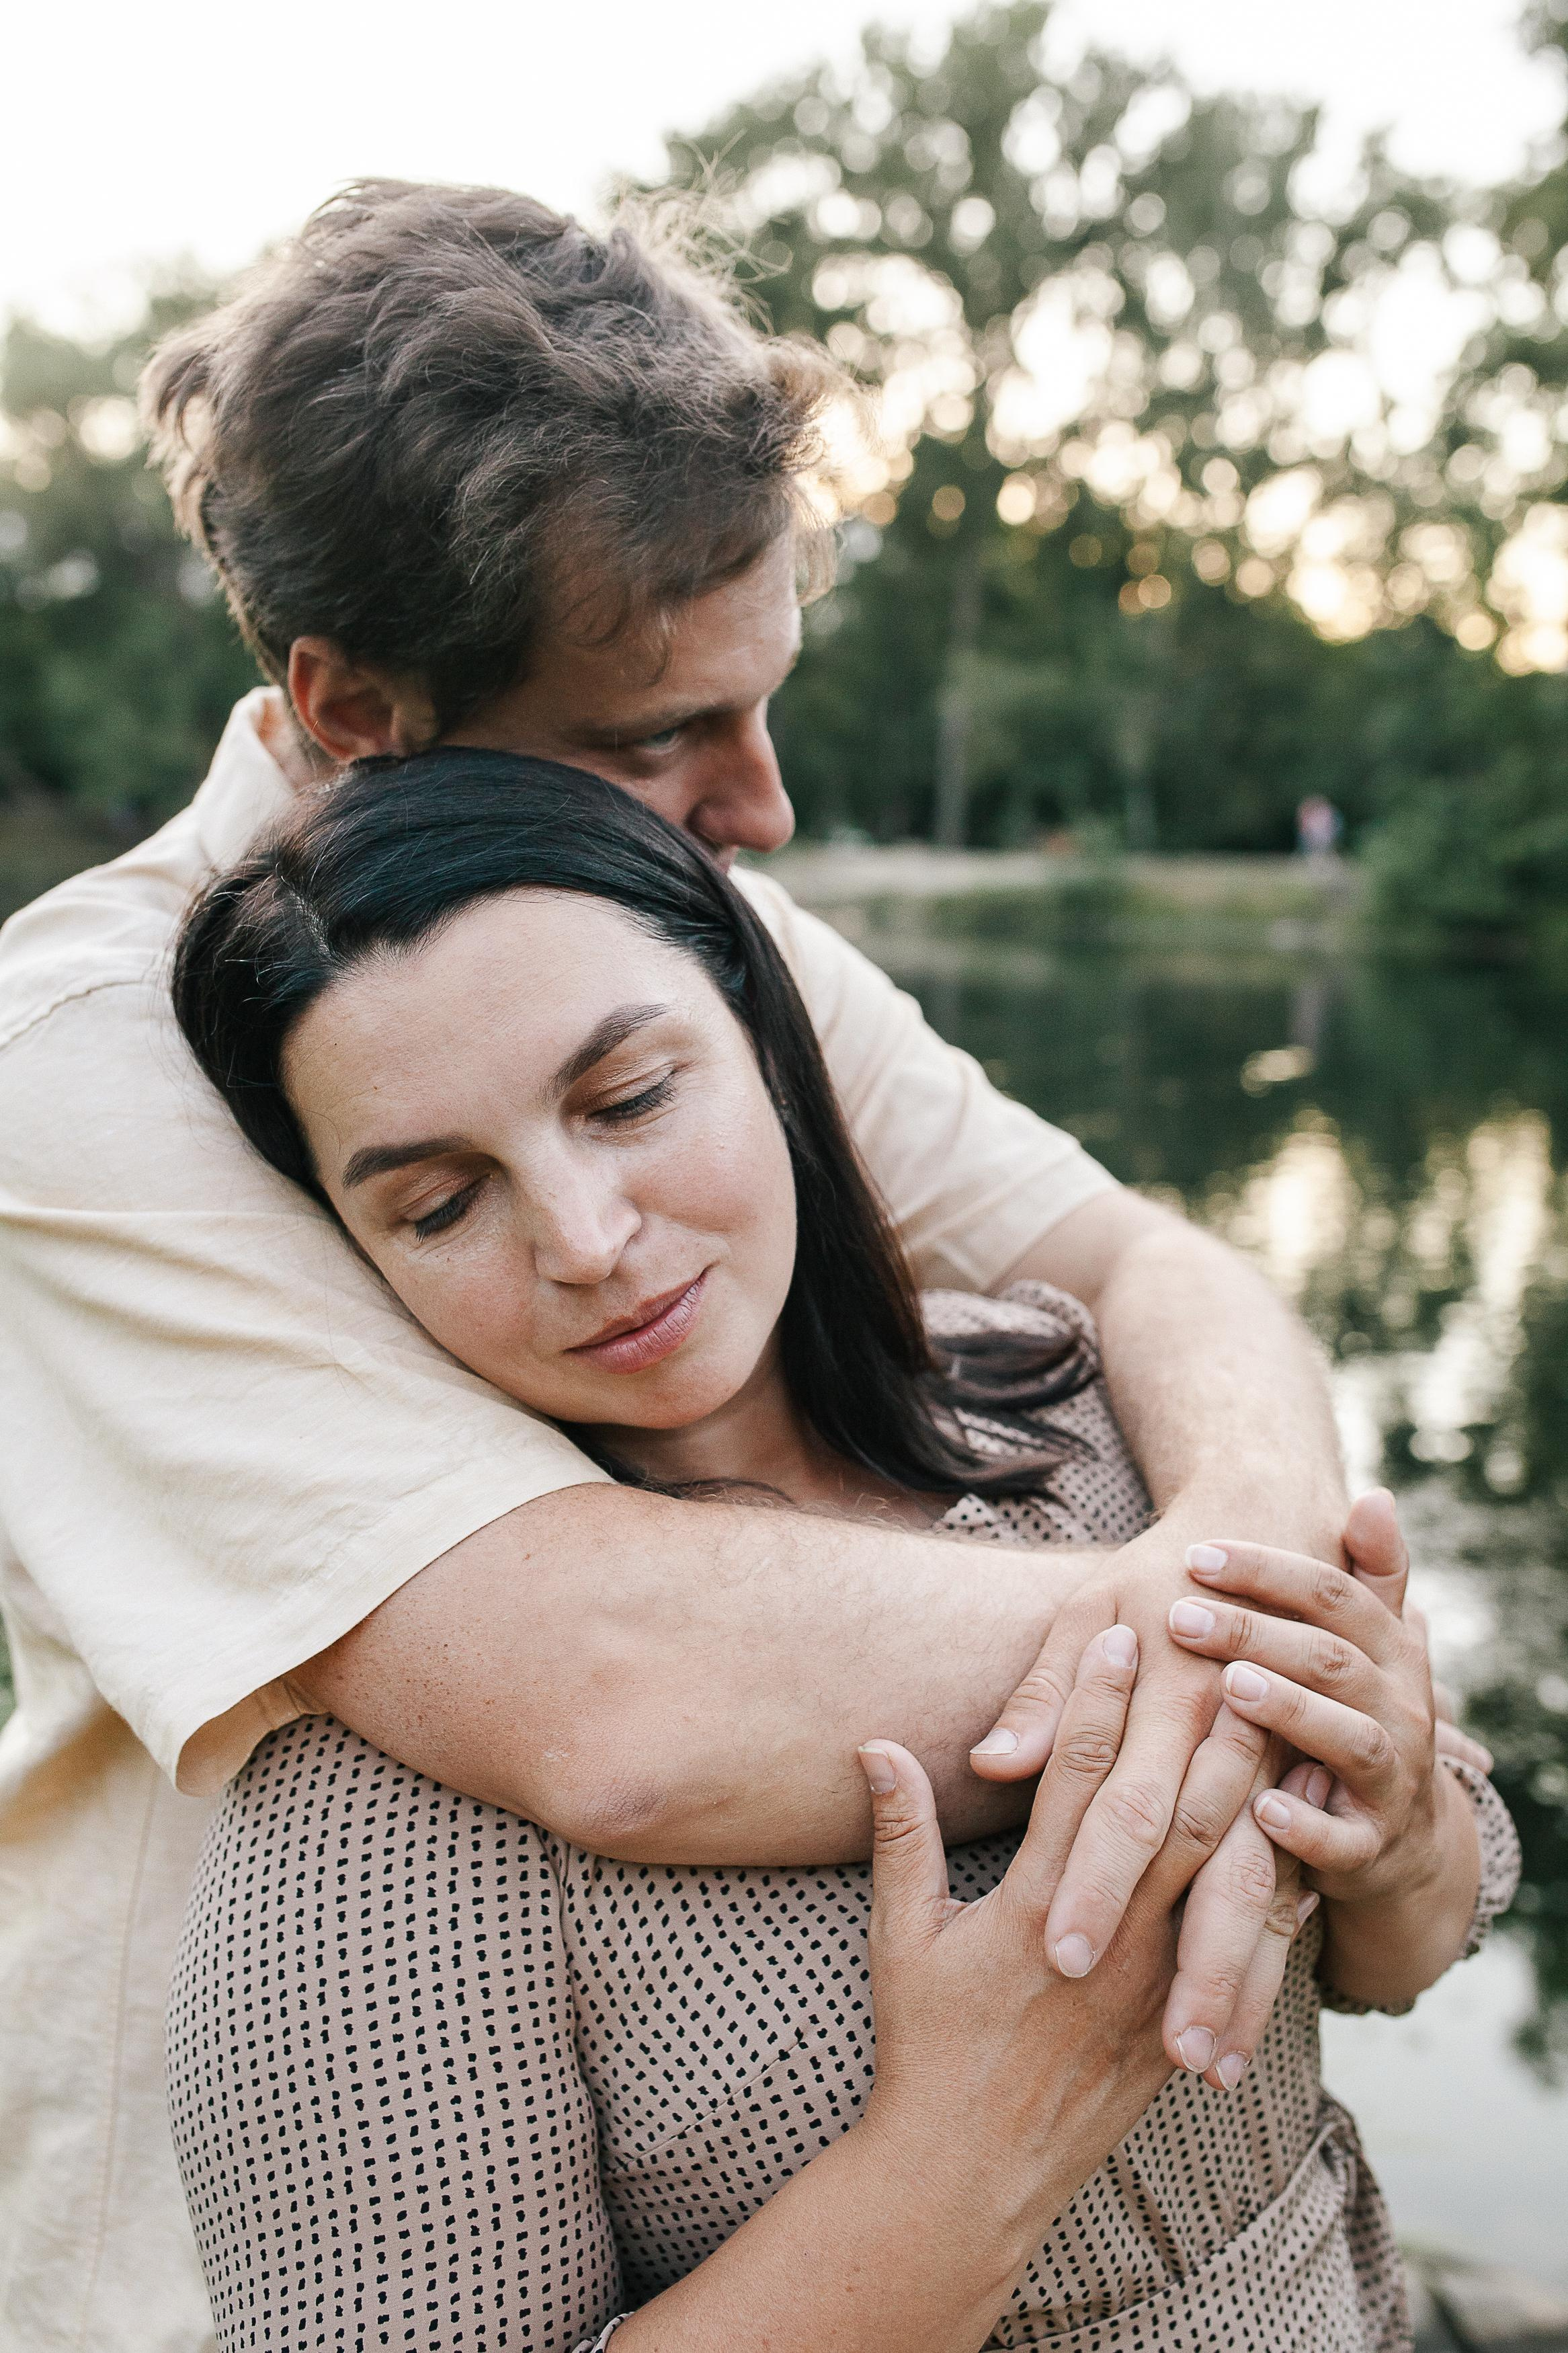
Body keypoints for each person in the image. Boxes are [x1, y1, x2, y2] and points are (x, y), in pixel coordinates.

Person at [0, 182, 1381, 2350]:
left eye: (760, 703)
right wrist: (1255, 1663)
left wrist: (1247, 1562)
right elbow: (614, 1688)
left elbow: (1138, 1261)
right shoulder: (78, 1065)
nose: (761, 807)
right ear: (353, 707)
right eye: (656, 733)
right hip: (259, 2248)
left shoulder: (657, 910)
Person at [162, 752, 1517, 2350]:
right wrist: (957, 2162)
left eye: (629, 1100)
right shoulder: (373, 1818)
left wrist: (1400, 1835)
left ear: (768, 1040)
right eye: (443, 1202)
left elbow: (1408, 1945)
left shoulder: (1095, 1413)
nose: (588, 1241)